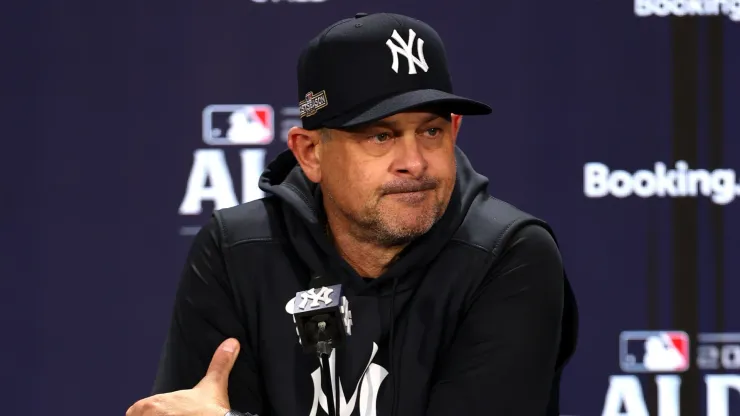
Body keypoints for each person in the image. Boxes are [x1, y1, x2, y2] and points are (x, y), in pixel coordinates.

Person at [127, 12, 578, 416]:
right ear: (310, 153)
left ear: (455, 130)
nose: (415, 162)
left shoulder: (507, 254)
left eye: (431, 131)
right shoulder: (237, 250)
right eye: (380, 136)